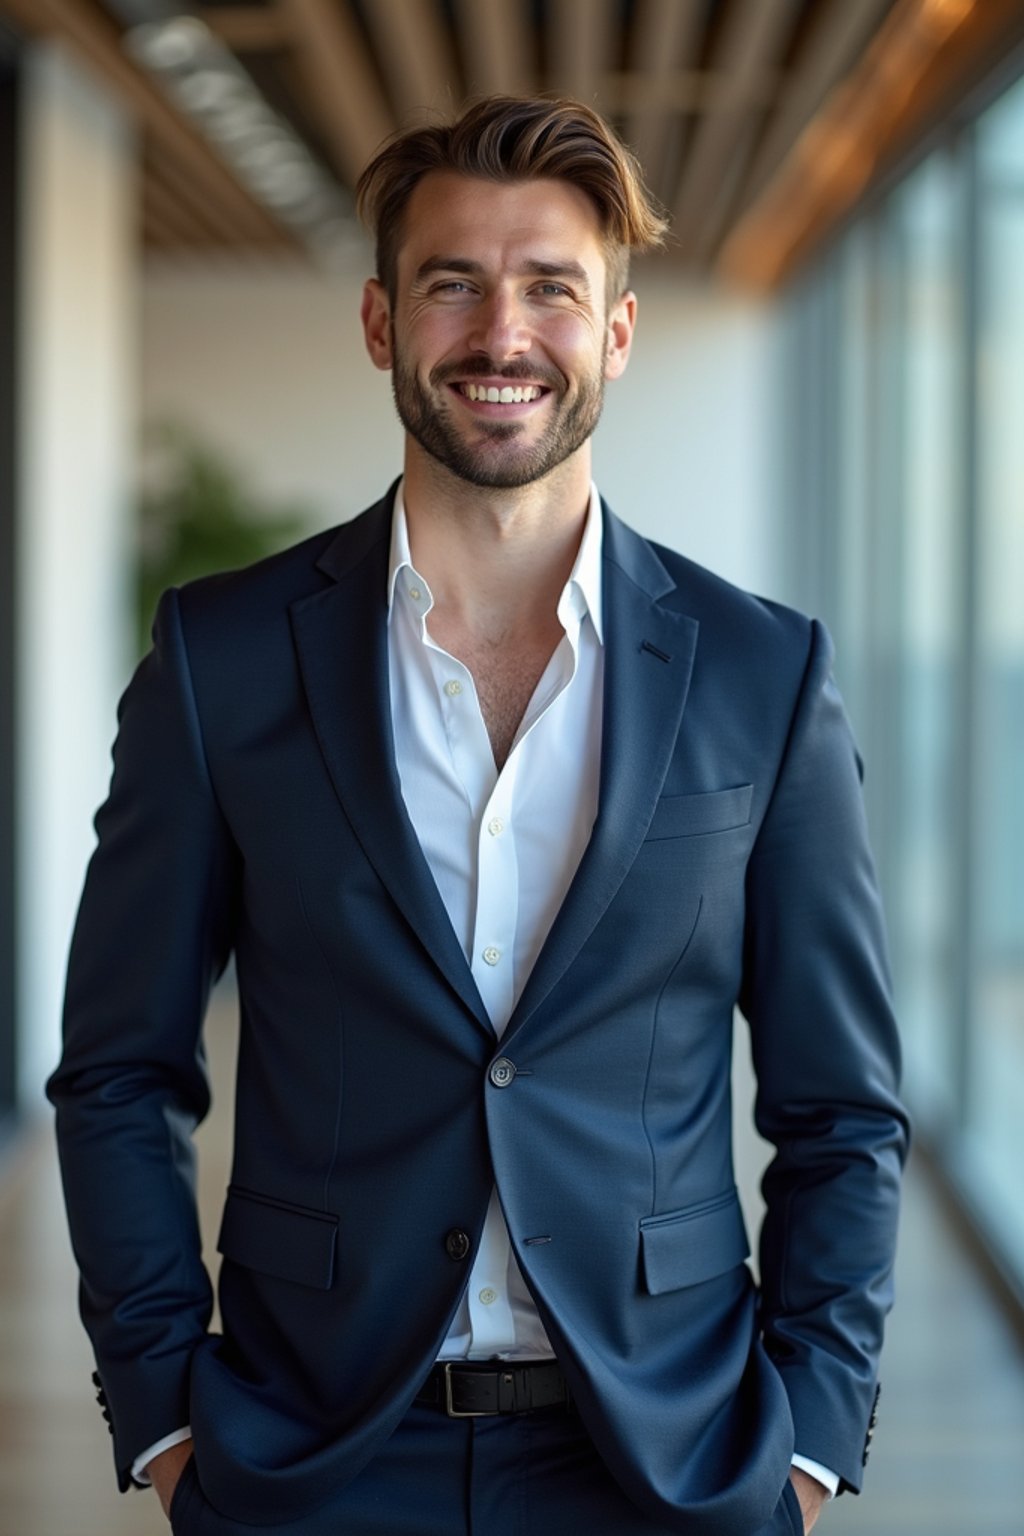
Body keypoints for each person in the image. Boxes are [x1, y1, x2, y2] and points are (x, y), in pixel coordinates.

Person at [48, 95, 908, 1536]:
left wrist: (808, 1442)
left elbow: (840, 1108)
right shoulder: (225, 657)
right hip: (309, 1456)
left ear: (613, 337)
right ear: (384, 323)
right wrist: (168, 1420)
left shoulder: (765, 675)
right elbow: (120, 1071)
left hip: (665, 1460)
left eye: (551, 288)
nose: (500, 334)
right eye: (453, 282)